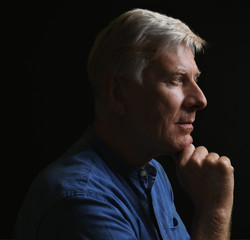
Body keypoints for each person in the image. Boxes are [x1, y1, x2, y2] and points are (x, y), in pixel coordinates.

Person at [14, 8, 234, 239]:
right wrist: (215, 212)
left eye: (195, 79)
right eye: (177, 79)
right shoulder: (83, 202)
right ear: (118, 93)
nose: (200, 100)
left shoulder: (152, 172)